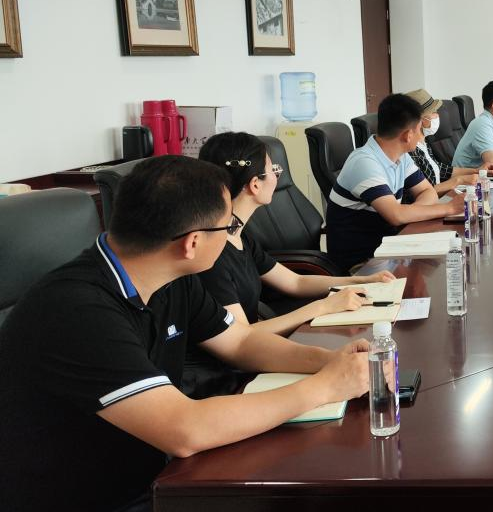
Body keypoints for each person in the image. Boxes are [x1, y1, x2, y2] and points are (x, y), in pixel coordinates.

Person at [0, 156, 369, 512]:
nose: (232, 235)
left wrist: (330, 362)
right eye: (227, 226)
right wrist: (324, 388)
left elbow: (240, 341)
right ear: (192, 243)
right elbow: (184, 429)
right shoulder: (75, 310)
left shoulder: (172, 277)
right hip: (92, 499)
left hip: (154, 474)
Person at [183, 132, 397, 398]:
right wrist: (321, 307)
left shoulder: (240, 236)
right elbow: (241, 337)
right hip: (226, 380)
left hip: (254, 356)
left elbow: (295, 281)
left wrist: (360, 280)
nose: (278, 175)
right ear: (255, 185)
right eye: (273, 169)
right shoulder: (211, 255)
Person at [327, 93, 466, 271]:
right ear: (408, 135)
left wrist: (411, 213)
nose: (421, 136)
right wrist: (450, 208)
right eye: (419, 129)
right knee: (438, 274)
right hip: (361, 263)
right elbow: (396, 216)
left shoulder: (401, 156)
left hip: (390, 248)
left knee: (441, 264)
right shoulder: (364, 163)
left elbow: (427, 191)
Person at [404, 88, 481, 196]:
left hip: (438, 199)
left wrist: (476, 171)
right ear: (421, 119)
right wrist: (459, 180)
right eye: (433, 112)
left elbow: (439, 169)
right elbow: (424, 192)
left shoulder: (424, 143)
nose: (437, 115)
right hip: (431, 202)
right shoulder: (410, 150)